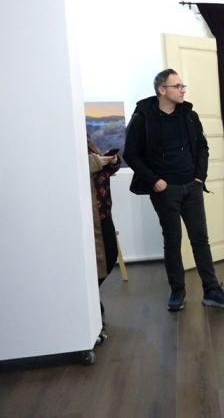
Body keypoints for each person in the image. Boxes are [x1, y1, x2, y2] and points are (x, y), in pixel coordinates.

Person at [124, 69, 224, 311]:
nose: (182, 90)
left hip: (191, 187)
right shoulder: (143, 117)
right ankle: (177, 291)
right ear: (162, 90)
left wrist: (199, 177)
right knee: (172, 240)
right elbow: (131, 154)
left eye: (182, 86)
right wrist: (154, 180)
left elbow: (203, 147)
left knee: (201, 240)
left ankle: (212, 291)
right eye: (177, 86)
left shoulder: (189, 115)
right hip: (164, 190)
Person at [88, 136, 121, 342]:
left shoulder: (85, 138)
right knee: (102, 259)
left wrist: (111, 162)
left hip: (103, 211)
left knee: (109, 256)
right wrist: (96, 162)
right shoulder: (67, 138)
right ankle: (90, 303)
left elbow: (99, 171)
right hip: (91, 214)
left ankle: (91, 299)